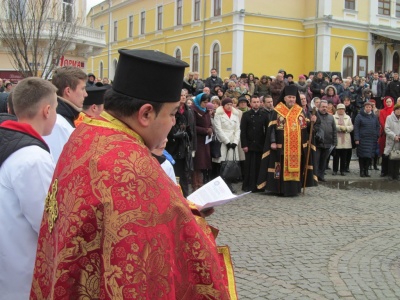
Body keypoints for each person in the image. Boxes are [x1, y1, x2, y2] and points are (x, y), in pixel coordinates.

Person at [30, 50, 233, 299]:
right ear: (146, 114)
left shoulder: (87, 133)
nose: (172, 123)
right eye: (171, 114)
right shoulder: (131, 166)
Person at [0, 77, 58, 299]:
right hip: (22, 276)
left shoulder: (10, 140)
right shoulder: (33, 158)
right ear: (46, 110)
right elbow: (47, 222)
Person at [257, 85, 317, 196]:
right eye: (289, 97)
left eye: (293, 97)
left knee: (297, 167)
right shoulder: (278, 111)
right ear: (284, 98)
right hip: (281, 147)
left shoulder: (300, 111)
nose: (291, 99)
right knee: (279, 168)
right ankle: (280, 189)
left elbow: (306, 128)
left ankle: (294, 189)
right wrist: (273, 141)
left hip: (296, 147)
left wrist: (312, 122)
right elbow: (272, 129)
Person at [43, 66, 88, 162]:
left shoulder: (64, 119)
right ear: (68, 91)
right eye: (82, 89)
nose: (85, 94)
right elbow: (58, 164)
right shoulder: (57, 124)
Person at [166, 89, 196, 197]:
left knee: (184, 174)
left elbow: (192, 129)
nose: (183, 97)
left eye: (184, 95)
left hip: (185, 147)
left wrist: (192, 146)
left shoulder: (189, 111)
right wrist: (174, 134)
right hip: (173, 147)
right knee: (174, 173)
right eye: (181, 95)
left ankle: (185, 197)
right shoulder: (172, 109)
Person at [240, 95, 269, 192]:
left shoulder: (264, 115)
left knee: (259, 166)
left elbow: (267, 130)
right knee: (249, 166)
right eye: (254, 102)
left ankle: (259, 185)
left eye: (258, 102)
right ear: (251, 103)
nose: (256, 104)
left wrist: (266, 144)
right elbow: (243, 131)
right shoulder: (246, 115)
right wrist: (244, 145)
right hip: (249, 144)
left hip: (260, 144)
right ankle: (249, 185)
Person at [213, 97, 240, 193]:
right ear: (223, 105)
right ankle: (220, 186)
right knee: (222, 164)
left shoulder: (235, 115)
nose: (229, 106)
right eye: (227, 104)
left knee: (230, 164)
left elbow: (237, 129)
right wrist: (227, 142)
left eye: (231, 104)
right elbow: (218, 129)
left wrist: (235, 142)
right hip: (223, 142)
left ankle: (229, 184)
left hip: (233, 142)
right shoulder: (218, 115)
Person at [191, 92, 213, 190]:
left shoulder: (206, 111)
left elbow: (209, 123)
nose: (205, 104)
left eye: (207, 102)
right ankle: (196, 185)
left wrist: (211, 129)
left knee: (203, 164)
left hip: (205, 141)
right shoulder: (193, 110)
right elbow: (193, 126)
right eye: (204, 102)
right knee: (197, 164)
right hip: (197, 141)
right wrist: (205, 130)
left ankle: (200, 184)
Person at [354, 102, 380, 177]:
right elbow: (356, 128)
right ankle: (362, 171)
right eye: (367, 107)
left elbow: (378, 126)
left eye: (369, 107)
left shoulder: (374, 117)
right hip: (362, 139)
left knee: (369, 156)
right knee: (362, 156)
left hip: (372, 139)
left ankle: (366, 171)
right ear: (364, 107)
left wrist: (377, 134)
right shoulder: (359, 116)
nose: (368, 108)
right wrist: (357, 138)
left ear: (371, 108)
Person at [314, 100, 337, 182]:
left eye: (326, 107)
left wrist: (335, 142)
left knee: (324, 161)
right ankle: (315, 176)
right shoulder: (315, 116)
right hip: (318, 143)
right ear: (319, 107)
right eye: (323, 107)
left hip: (328, 142)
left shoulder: (331, 117)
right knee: (316, 161)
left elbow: (334, 130)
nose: (324, 108)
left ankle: (321, 175)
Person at [332, 104, 353, 176]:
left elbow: (351, 127)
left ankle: (342, 170)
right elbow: (333, 126)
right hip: (337, 138)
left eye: (342, 109)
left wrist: (346, 128)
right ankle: (335, 170)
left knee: (344, 156)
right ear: (337, 110)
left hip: (345, 139)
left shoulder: (348, 117)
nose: (341, 110)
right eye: (340, 109)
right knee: (336, 156)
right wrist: (340, 127)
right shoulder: (333, 117)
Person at [384, 102, 400, 180]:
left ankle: (396, 174)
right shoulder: (389, 118)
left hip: (399, 141)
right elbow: (387, 129)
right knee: (391, 157)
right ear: (395, 110)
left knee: (398, 157)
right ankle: (390, 174)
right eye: (397, 109)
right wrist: (394, 136)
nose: (399, 111)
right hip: (391, 140)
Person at [379, 96, 394, 177]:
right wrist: (387, 131)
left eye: (390, 102)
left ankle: (392, 170)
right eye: (387, 102)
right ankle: (384, 170)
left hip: (394, 135)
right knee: (385, 153)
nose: (388, 103)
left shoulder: (395, 111)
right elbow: (382, 122)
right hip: (384, 134)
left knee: (393, 153)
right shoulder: (382, 111)